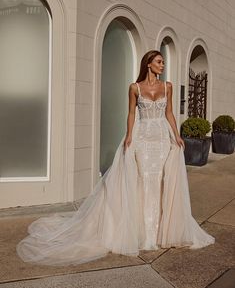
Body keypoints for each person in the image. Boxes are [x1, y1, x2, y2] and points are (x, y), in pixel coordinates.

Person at [17, 50, 215, 266]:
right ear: (148, 64)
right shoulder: (134, 88)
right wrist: (129, 136)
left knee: (160, 181)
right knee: (141, 180)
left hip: (161, 139)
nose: (162, 65)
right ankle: (142, 233)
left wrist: (176, 136)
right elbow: (131, 113)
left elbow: (169, 113)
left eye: (163, 62)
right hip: (142, 138)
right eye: (159, 62)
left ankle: (160, 232)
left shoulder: (167, 86)